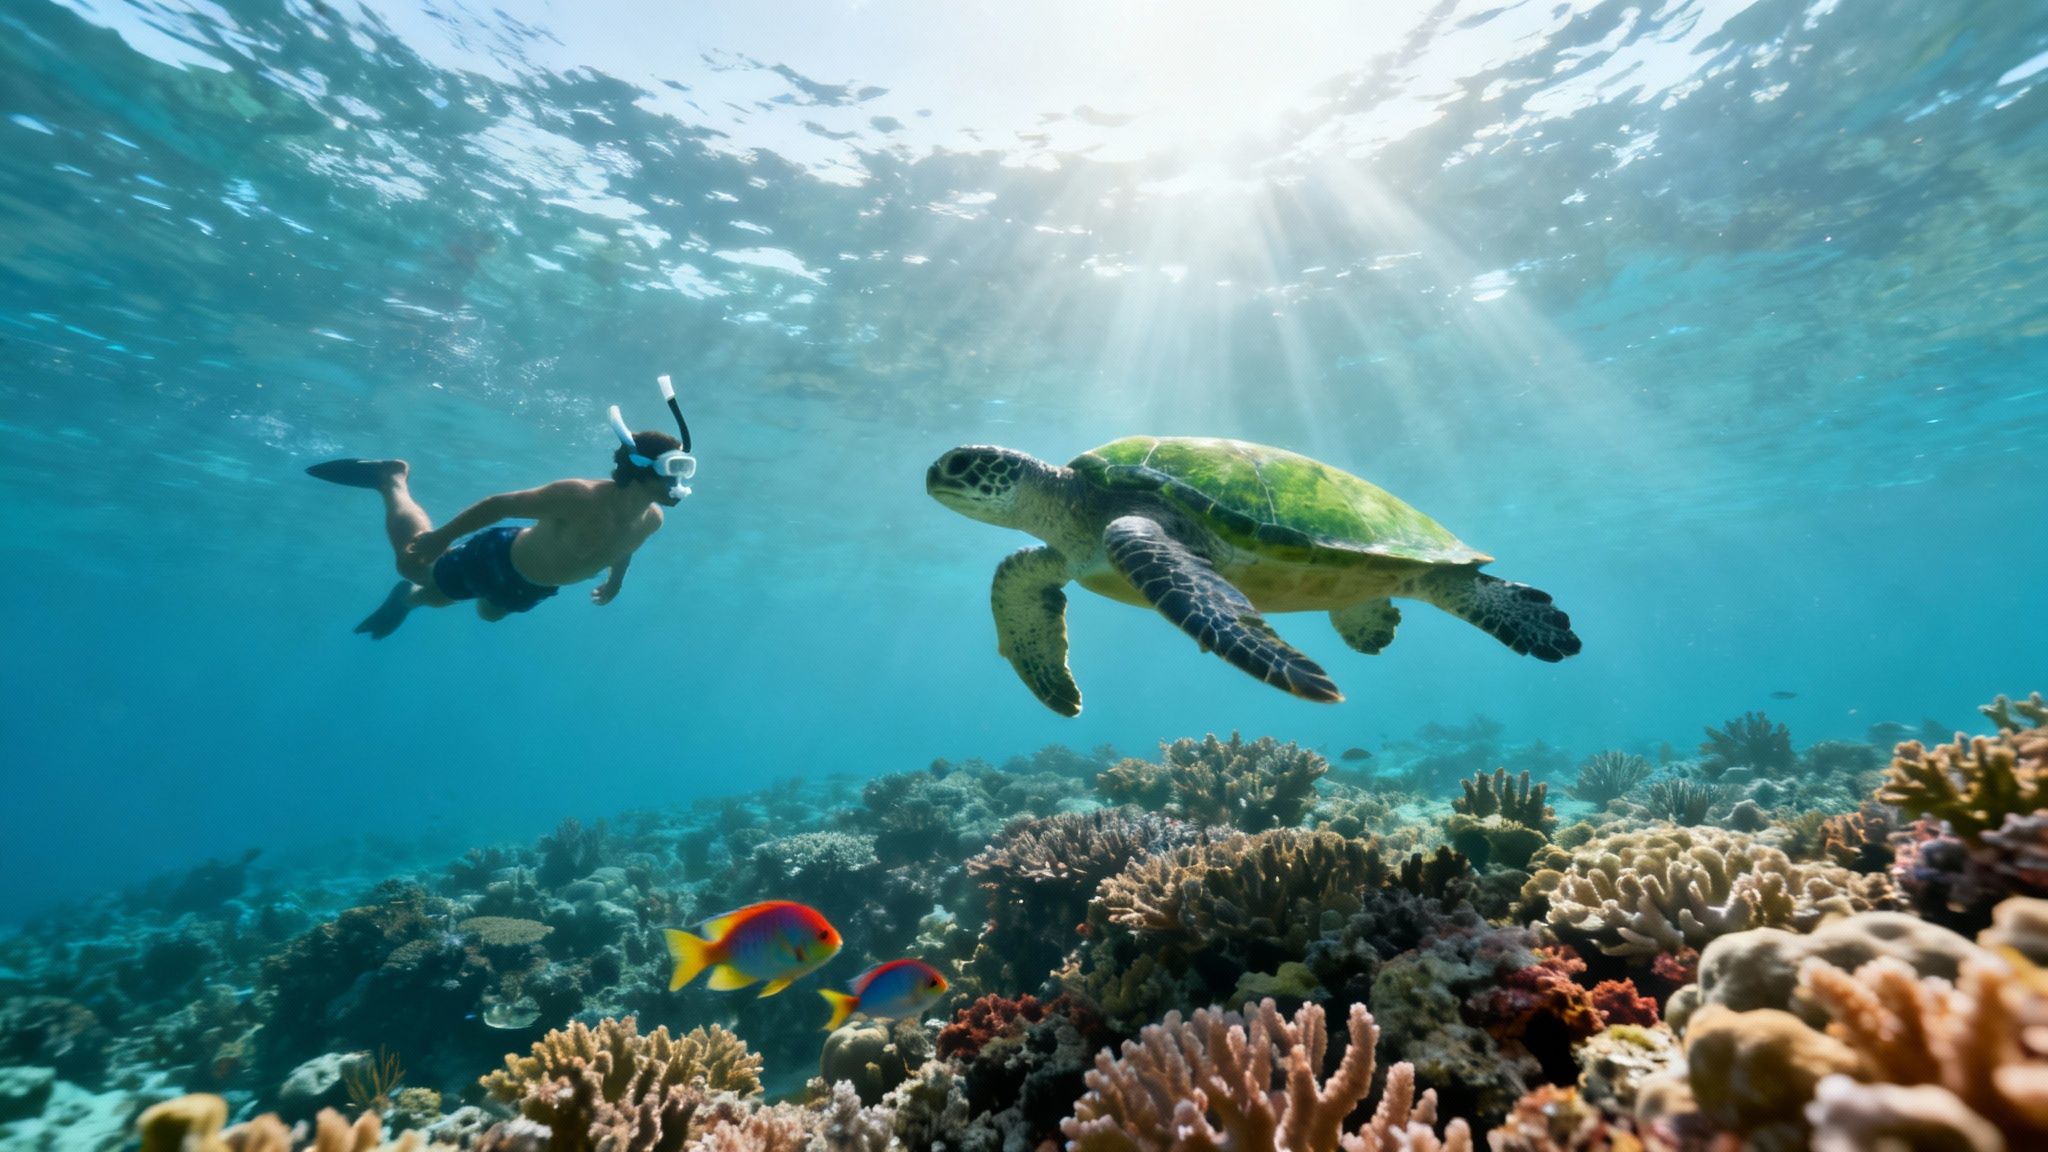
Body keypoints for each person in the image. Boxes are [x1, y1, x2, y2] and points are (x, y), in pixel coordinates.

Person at [308, 390, 695, 638]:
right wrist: (441, 538)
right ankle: (391, 479)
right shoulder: (580, 496)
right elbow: (501, 505)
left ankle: (405, 601)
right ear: (643, 469)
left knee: (477, 609)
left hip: (535, 586)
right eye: (676, 469)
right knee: (412, 566)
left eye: (686, 469)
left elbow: (624, 545)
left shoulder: (652, 519)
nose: (682, 481)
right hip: (499, 557)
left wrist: (616, 582)